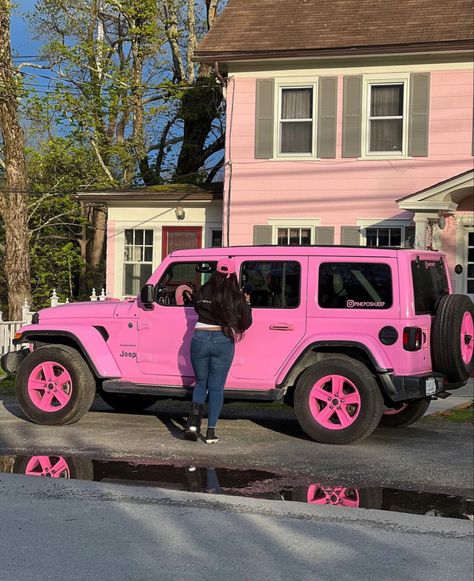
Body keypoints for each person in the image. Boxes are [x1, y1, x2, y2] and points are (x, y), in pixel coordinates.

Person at [184, 257, 252, 443]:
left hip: (200, 337)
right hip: (223, 340)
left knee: (200, 383)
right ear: (232, 274)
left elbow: (198, 307)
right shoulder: (235, 295)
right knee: (216, 388)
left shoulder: (204, 290)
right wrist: (247, 303)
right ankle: (210, 433)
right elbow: (246, 323)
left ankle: (192, 424)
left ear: (216, 272)